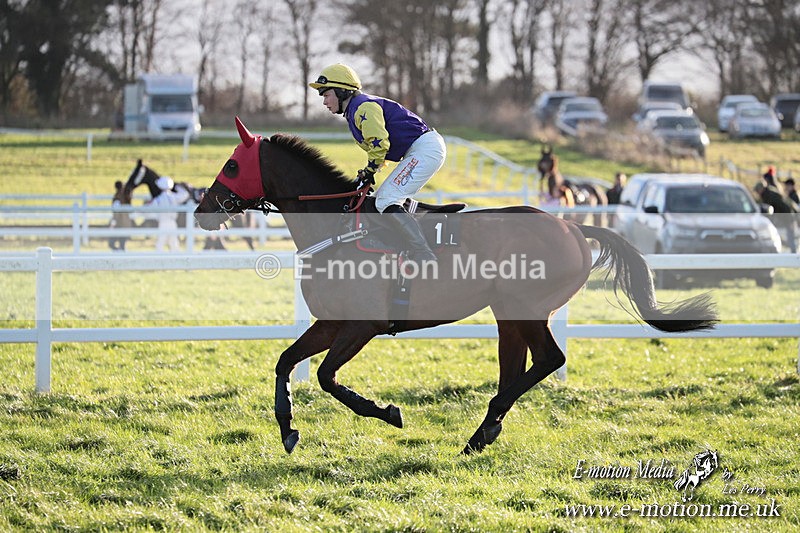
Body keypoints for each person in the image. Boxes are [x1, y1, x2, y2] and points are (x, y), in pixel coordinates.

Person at [309, 63, 445, 263]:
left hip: (425, 149)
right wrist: (369, 172)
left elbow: (380, 143)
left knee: (386, 200)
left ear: (341, 91)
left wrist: (370, 170)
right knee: (385, 198)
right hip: (420, 149)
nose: (324, 102)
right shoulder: (355, 110)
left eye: (326, 94)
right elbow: (379, 148)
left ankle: (423, 253)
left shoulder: (363, 107)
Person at [147, 176, 189, 252]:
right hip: (172, 223)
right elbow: (185, 194)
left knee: (160, 243)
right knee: (174, 244)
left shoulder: (158, 199)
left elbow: (148, 208)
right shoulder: (174, 197)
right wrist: (178, 187)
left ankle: (159, 260)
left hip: (163, 223)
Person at [754, 181, 797, 253]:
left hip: (787, 215)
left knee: (790, 236)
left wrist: (790, 220)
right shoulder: (769, 193)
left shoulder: (769, 195)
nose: (757, 193)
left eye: (758, 191)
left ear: (761, 189)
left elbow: (783, 207)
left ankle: (793, 254)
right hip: (783, 215)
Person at [108, 180, 131, 251]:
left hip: (119, 224)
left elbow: (116, 213)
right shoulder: (125, 197)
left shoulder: (117, 198)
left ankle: (118, 253)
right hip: (125, 223)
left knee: (111, 243)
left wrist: (113, 223)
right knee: (122, 243)